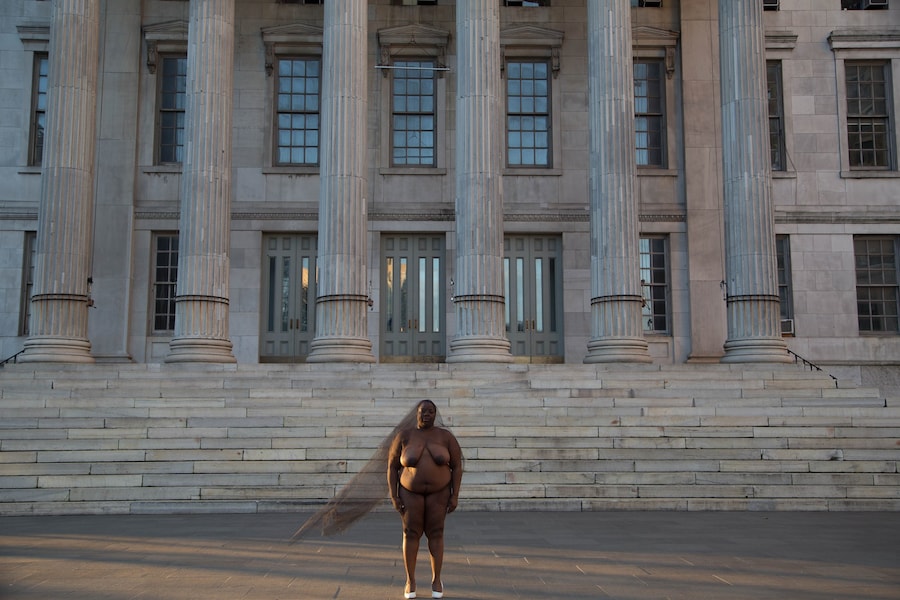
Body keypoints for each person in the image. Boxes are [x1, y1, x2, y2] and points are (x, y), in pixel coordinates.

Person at [387, 399, 462, 600]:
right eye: (422, 411)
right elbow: (392, 466)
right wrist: (393, 495)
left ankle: (437, 579)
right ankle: (410, 580)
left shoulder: (445, 437)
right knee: (410, 533)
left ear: (435, 415)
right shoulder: (404, 436)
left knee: (436, 533)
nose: (426, 415)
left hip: (439, 493)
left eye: (430, 411)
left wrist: (455, 494)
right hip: (410, 493)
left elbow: (457, 465)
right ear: (416, 413)